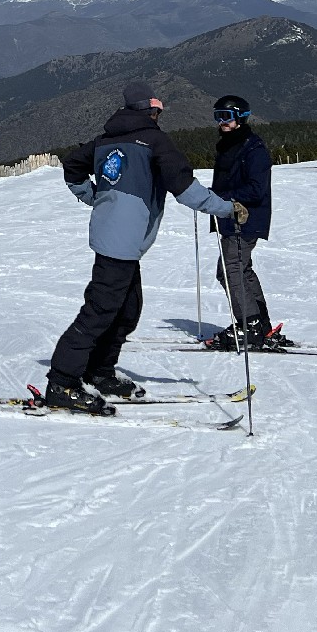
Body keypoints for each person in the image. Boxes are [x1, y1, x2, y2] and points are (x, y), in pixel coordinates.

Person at [47, 81, 246, 414]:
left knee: (127, 310)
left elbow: (72, 167)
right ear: (153, 111)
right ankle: (61, 383)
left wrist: (95, 197)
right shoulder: (155, 141)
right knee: (98, 313)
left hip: (118, 241)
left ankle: (100, 372)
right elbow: (186, 190)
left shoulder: (104, 141)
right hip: (120, 243)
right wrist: (228, 208)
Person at [204, 94, 291, 350]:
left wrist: (219, 197)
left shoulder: (253, 149)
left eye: (226, 117)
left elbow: (256, 189)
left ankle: (249, 325)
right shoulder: (230, 145)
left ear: (241, 118)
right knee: (242, 270)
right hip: (231, 218)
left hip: (245, 220)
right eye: (218, 116)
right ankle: (261, 325)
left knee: (229, 269)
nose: (221, 122)